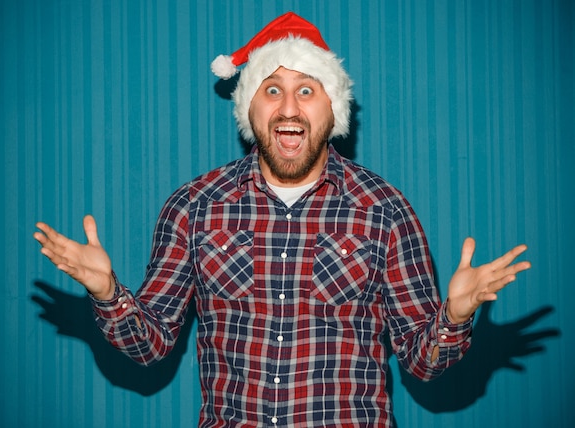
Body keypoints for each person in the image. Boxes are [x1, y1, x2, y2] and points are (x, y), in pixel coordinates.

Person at [34, 12, 530, 427]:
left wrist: (455, 317)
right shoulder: (195, 206)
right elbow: (151, 346)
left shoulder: (383, 209)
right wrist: (107, 292)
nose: (288, 107)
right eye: (271, 90)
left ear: (332, 109)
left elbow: (422, 363)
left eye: (307, 91)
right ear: (248, 107)